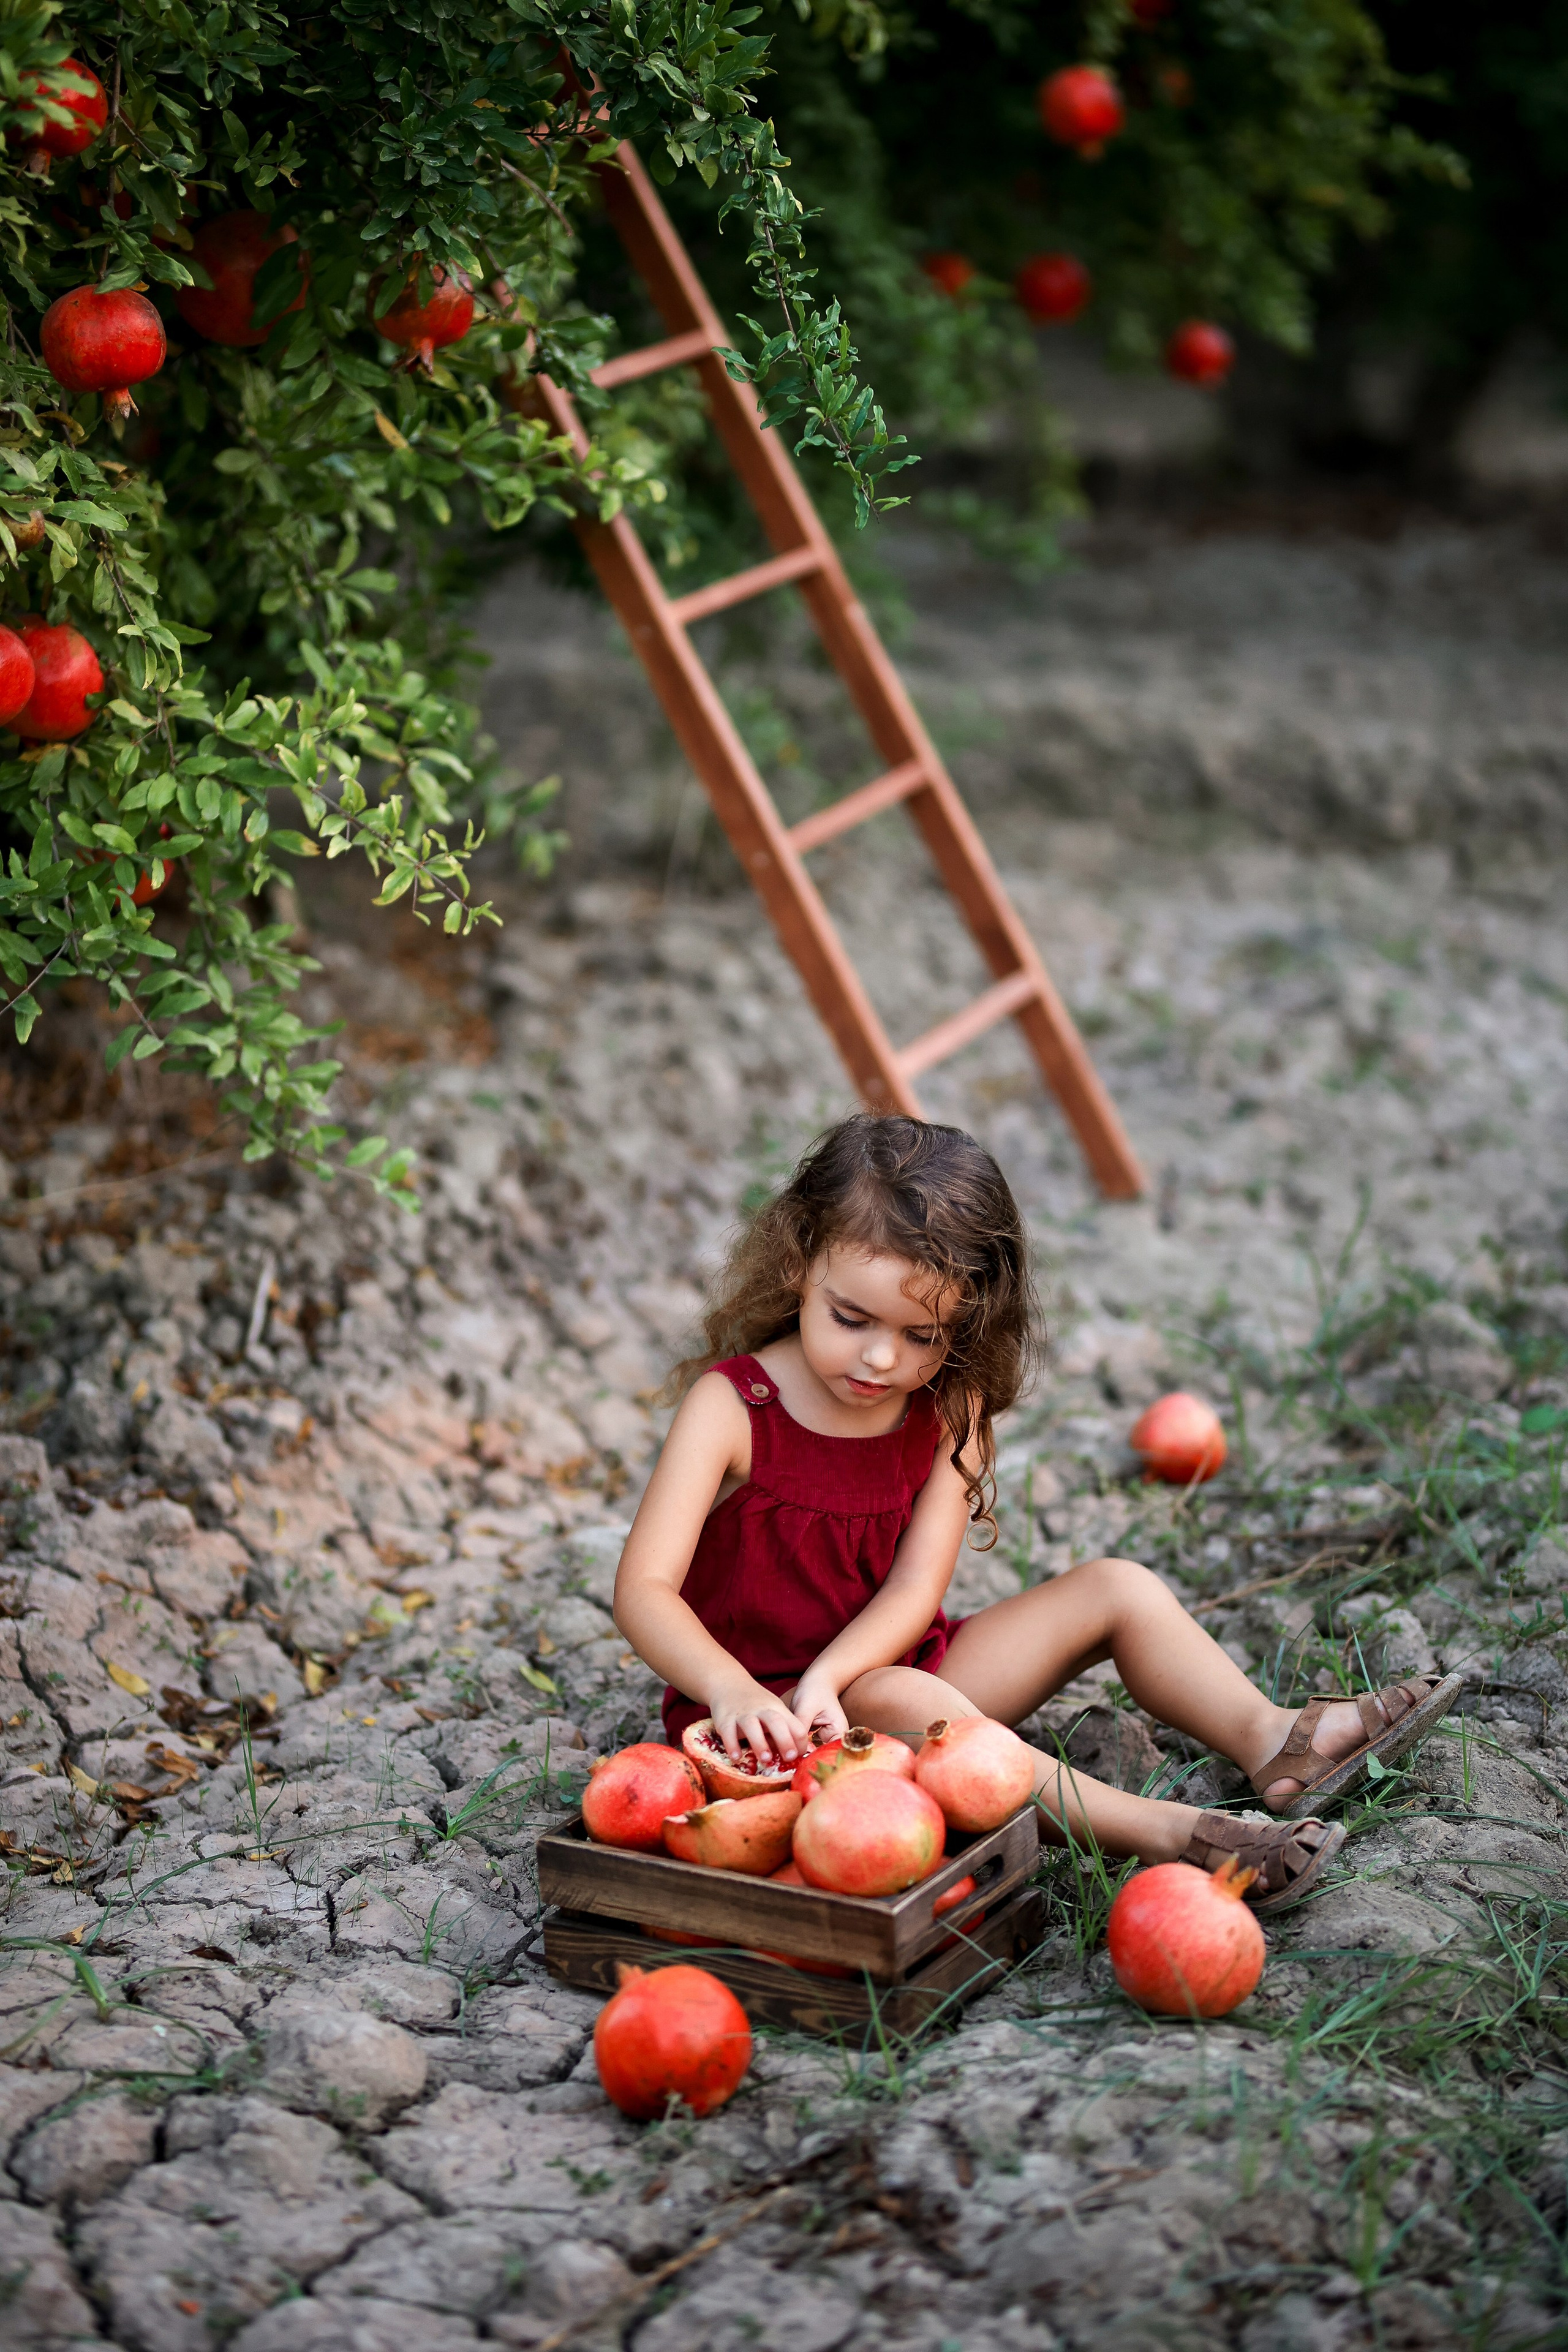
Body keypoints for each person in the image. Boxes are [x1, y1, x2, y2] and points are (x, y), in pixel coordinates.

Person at [613, 1114, 1461, 1911]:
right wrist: (729, 1686)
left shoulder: (949, 1410)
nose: (880, 1357)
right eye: (852, 1318)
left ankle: (1278, 1744)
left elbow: (914, 1594)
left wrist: (835, 1677)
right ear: (802, 1265)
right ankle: (1176, 1835)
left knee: (1118, 1588)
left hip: (898, 1673)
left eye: (922, 1336)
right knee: (904, 1690)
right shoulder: (734, 1408)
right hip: (756, 1727)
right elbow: (645, 1589)